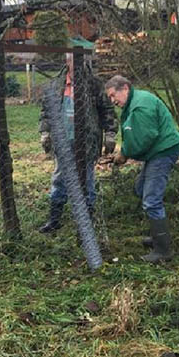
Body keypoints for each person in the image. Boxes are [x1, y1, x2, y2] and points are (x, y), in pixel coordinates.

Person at [105, 74, 179, 263]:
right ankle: (158, 236)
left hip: (163, 151)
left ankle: (163, 251)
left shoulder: (140, 106)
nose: (113, 101)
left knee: (152, 201)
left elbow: (144, 138)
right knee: (140, 189)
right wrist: (123, 151)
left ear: (125, 88)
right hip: (156, 152)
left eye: (114, 95)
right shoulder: (134, 102)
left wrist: (124, 154)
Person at [37, 53, 117, 233]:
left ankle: (87, 223)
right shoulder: (56, 84)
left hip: (87, 143)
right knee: (59, 180)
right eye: (75, 60)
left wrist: (110, 134)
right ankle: (54, 220)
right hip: (63, 142)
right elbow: (46, 111)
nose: (79, 65)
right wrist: (45, 132)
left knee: (87, 181)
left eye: (83, 61)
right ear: (67, 61)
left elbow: (107, 110)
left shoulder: (94, 85)